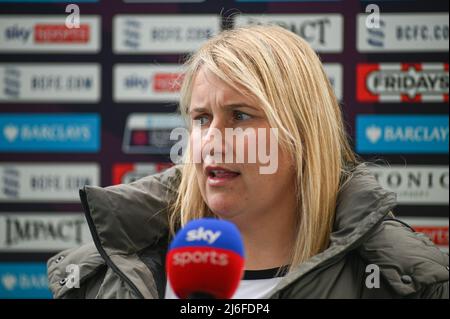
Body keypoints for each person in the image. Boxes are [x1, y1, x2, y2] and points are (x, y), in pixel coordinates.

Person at [47, 25, 448, 299]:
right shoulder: (101, 278)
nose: (211, 141)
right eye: (202, 119)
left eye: (240, 115)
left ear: (303, 134)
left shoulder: (408, 281)